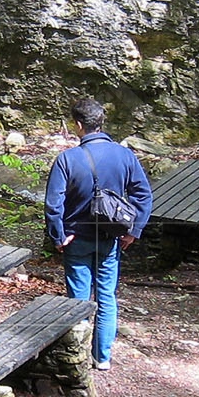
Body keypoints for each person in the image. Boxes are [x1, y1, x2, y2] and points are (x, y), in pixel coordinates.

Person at [43, 98, 152, 370]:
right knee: (106, 297)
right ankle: (102, 358)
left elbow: (53, 203)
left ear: (79, 125)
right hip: (110, 238)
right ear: (101, 123)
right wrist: (133, 230)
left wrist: (58, 236)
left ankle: (76, 357)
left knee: (78, 299)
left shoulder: (66, 159)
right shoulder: (125, 156)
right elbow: (143, 195)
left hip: (76, 238)